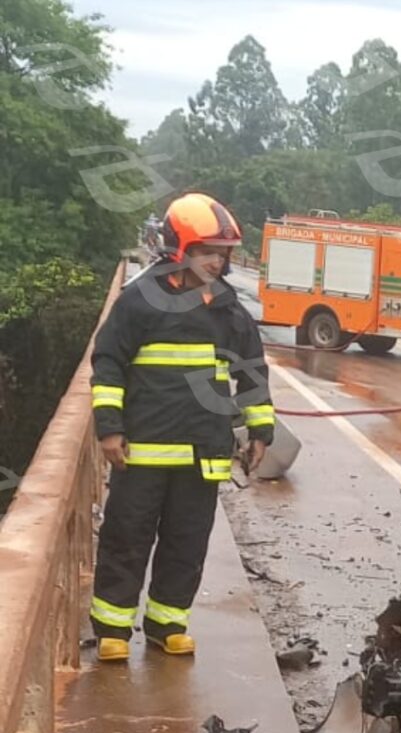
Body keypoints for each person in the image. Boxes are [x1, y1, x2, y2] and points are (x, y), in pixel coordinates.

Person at [87, 192, 276, 661]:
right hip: (143, 449)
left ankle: (167, 622)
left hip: (203, 453)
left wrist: (261, 431)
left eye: (224, 253)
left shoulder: (229, 310)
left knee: (186, 544)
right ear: (180, 249)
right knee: (126, 538)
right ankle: (113, 629)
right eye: (208, 250)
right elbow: (108, 362)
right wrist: (109, 427)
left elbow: (251, 373)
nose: (218, 261)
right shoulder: (140, 302)